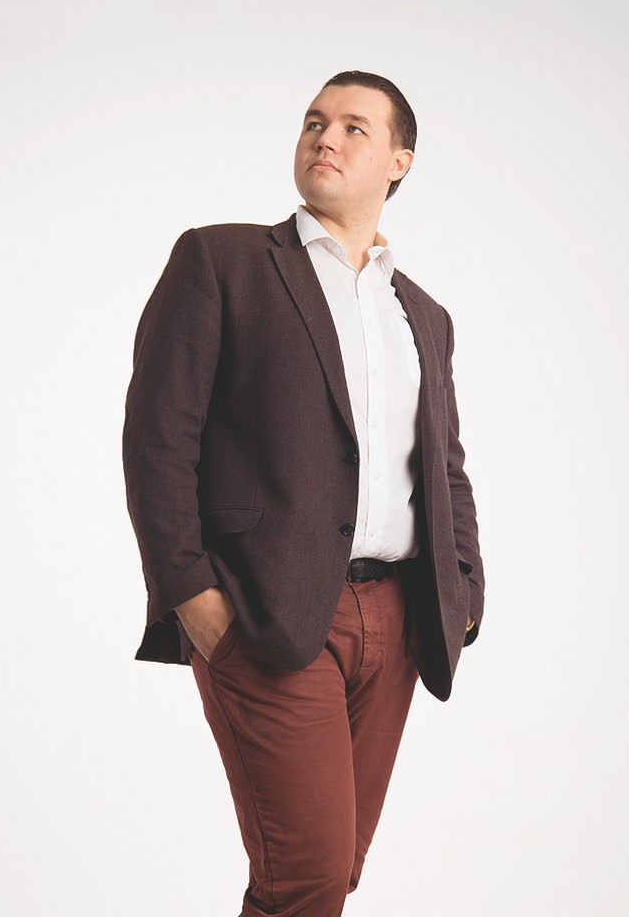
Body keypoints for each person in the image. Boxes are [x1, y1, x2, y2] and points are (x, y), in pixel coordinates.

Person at [122, 69, 486, 916]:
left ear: (398, 160)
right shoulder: (223, 261)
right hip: (267, 610)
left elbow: (444, 465)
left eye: (355, 127)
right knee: (308, 874)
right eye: (314, 121)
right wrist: (189, 593)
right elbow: (157, 437)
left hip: (397, 619)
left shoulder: (423, 314)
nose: (326, 137)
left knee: (327, 871)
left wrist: (464, 591)